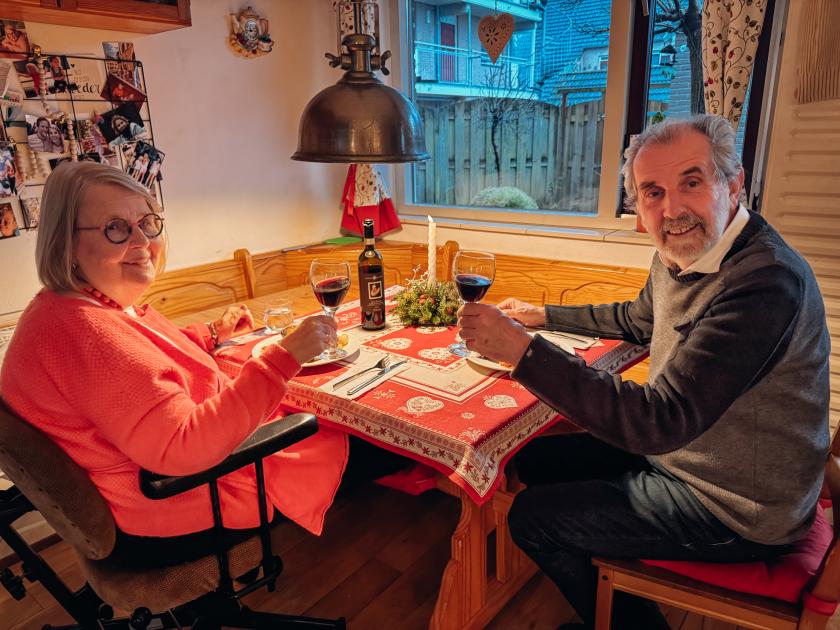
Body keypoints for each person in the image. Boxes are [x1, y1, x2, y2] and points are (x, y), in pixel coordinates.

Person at [456, 114, 830, 629]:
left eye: (692, 182)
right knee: (534, 458)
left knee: (531, 518)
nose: (672, 210)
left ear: (734, 184)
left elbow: (659, 421)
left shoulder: (765, 283)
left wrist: (524, 352)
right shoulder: (683, 251)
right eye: (653, 192)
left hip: (739, 506)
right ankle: (601, 580)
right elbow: (636, 320)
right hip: (687, 457)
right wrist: (542, 315)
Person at [0, 162, 406, 568]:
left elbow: (143, 362)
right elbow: (183, 446)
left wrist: (210, 333)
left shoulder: (67, 309)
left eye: (147, 223)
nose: (142, 241)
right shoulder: (85, 333)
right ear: (66, 242)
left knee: (341, 414)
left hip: (164, 483)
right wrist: (285, 358)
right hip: (184, 498)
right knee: (381, 433)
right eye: (115, 228)